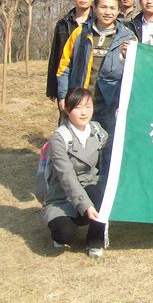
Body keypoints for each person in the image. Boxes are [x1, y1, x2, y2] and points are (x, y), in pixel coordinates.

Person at [56, 0, 136, 174]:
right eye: (103, 7)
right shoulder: (80, 33)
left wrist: (128, 55)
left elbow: (134, 72)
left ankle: (103, 183)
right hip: (81, 102)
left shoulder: (128, 37)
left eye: (112, 8)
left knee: (108, 146)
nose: (108, 12)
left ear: (119, 10)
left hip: (110, 103)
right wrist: (63, 95)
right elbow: (64, 67)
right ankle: (76, 182)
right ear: (94, 8)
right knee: (77, 144)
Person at [43, 88, 108, 258]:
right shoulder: (59, 138)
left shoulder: (97, 131)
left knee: (102, 193)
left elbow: (116, 147)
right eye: (78, 107)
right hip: (62, 197)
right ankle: (62, 227)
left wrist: (120, 117)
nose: (84, 112)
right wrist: (86, 206)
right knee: (65, 234)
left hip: (89, 186)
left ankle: (95, 240)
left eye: (88, 106)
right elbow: (67, 177)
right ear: (67, 109)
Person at [47, 0, 95, 106]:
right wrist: (52, 88)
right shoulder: (63, 23)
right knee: (66, 114)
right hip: (66, 79)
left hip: (90, 81)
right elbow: (55, 56)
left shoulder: (97, 22)